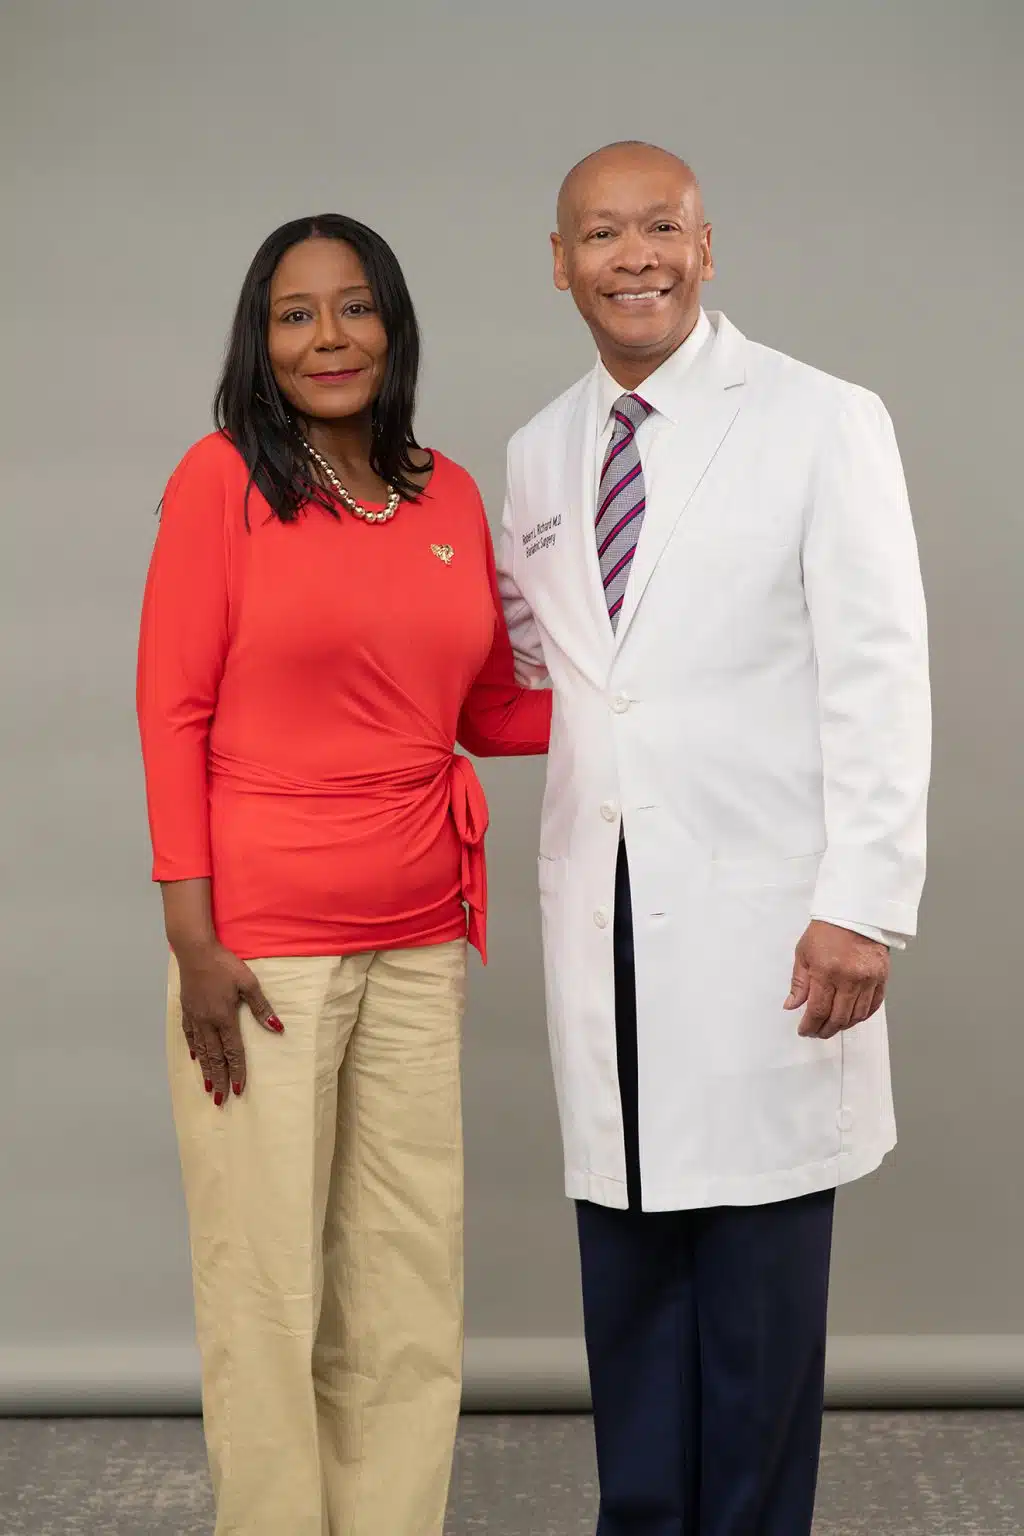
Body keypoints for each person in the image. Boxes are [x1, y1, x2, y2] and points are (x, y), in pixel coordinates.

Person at [497, 142, 930, 1534]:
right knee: (628, 1297)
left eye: (662, 228)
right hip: (607, 916)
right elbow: (534, 668)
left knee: (752, 1312)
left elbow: (880, 673)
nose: (635, 257)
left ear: (705, 246)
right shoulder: (539, 451)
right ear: (558, 262)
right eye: (602, 234)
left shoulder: (819, 418)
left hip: (769, 926)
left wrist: (864, 903)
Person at [136, 213, 551, 1536]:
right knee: (267, 1284)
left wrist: (657, 695)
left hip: (423, 932)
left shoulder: (447, 493)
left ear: (394, 325)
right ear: (259, 340)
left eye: (355, 306)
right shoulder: (222, 480)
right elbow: (171, 711)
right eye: (296, 313)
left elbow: (489, 707)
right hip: (260, 948)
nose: (330, 336)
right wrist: (193, 939)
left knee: (405, 1277)